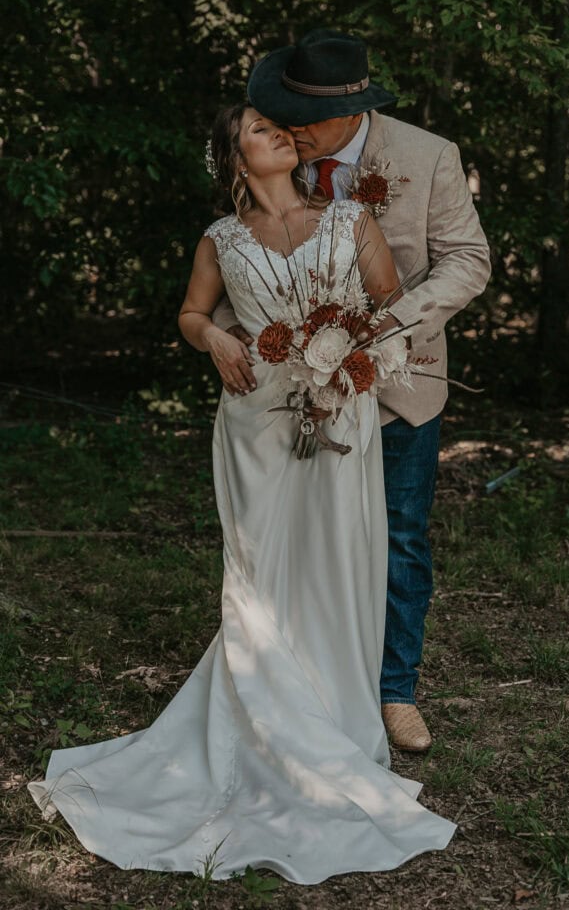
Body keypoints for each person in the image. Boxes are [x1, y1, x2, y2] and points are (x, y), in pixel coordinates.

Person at [28, 103, 456, 883]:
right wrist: (218, 335)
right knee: (260, 572)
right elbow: (191, 314)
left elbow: (384, 312)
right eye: (260, 131)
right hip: (254, 422)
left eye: (278, 128)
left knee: (337, 560)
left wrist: (346, 367)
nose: (281, 136)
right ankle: (259, 708)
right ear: (234, 162)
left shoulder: (348, 220)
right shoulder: (219, 241)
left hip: (339, 414)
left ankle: (331, 714)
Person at [212, 30, 491, 752]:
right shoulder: (276, 160)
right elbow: (247, 262)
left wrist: (377, 332)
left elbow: (467, 260)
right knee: (297, 538)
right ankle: (300, 680)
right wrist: (225, 336)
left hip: (396, 385)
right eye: (278, 117)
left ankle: (393, 690)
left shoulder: (426, 156)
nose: (289, 131)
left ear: (350, 111)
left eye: (299, 119)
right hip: (284, 396)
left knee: (398, 536)